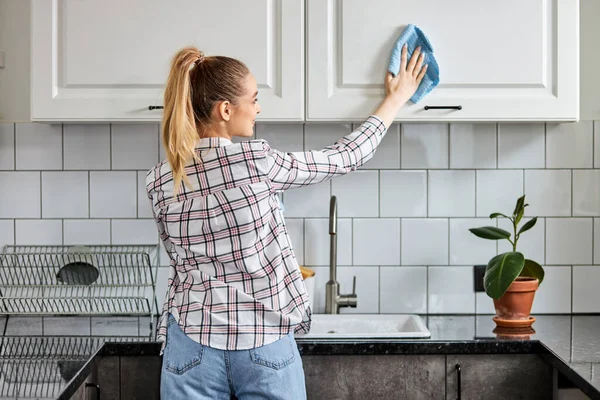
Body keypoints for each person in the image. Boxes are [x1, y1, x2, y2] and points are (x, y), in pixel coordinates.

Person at [147, 43, 427, 399]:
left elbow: (177, 262)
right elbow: (346, 156)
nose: (258, 108)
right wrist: (396, 98)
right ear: (225, 109)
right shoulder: (257, 162)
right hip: (262, 342)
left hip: (189, 344)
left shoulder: (159, 180)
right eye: (254, 98)